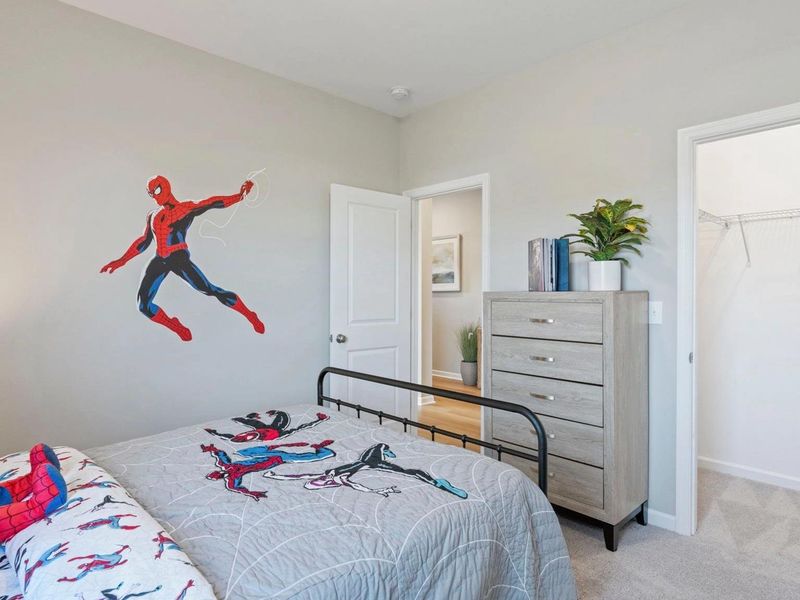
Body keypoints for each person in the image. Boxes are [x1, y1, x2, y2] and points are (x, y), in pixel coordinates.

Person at [100, 175, 264, 341]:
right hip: (160, 259)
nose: (155, 196)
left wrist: (239, 196)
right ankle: (174, 325)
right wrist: (122, 260)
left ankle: (250, 315)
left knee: (208, 289)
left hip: (178, 257)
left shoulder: (186, 208)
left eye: (156, 190)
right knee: (143, 305)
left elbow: (212, 202)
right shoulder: (153, 216)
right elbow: (144, 241)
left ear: (166, 187)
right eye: (151, 194)